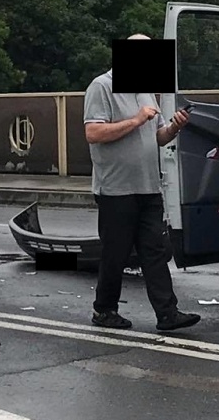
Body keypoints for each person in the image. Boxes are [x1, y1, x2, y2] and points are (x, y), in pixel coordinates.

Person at [82, 35, 199, 332]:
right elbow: (94, 133)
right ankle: (104, 310)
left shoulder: (147, 90)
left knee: (155, 251)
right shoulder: (101, 86)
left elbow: (158, 136)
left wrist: (174, 126)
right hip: (115, 189)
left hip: (149, 186)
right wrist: (136, 120)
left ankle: (167, 313)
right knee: (115, 254)